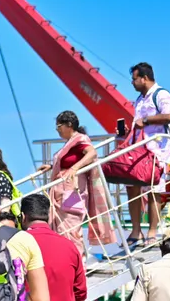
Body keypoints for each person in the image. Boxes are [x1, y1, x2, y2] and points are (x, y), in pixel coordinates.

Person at [39, 111, 116, 258]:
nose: (58, 130)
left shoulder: (79, 139)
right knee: (61, 229)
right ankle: (68, 262)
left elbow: (91, 153)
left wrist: (75, 168)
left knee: (71, 229)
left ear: (69, 125)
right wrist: (51, 166)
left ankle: (77, 263)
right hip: (63, 191)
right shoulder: (70, 143)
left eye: (59, 127)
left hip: (72, 192)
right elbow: (70, 159)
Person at [127, 63, 170, 245]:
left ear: (144, 78)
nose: (132, 82)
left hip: (158, 152)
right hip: (139, 151)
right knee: (132, 188)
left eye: (134, 78)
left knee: (153, 191)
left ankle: (152, 231)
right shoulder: (139, 99)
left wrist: (147, 120)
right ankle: (135, 231)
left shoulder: (161, 94)